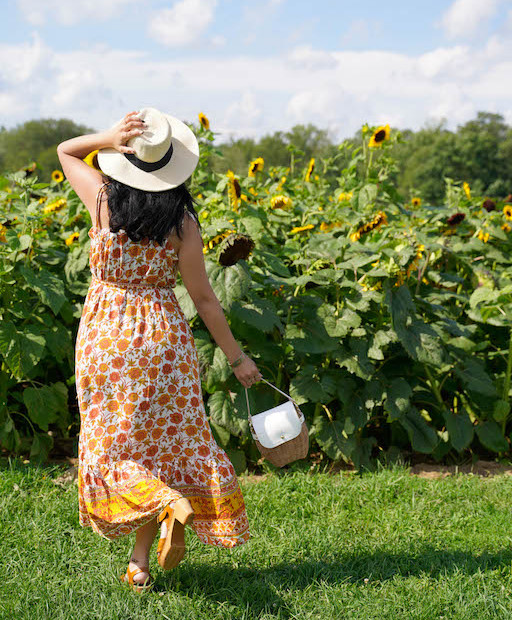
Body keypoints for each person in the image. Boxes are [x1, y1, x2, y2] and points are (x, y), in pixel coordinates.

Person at [57, 107, 263, 592]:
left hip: (106, 338)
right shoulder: (182, 222)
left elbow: (67, 150)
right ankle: (143, 556)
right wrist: (237, 359)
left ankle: (152, 540)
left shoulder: (103, 201)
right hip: (163, 342)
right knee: (162, 448)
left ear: (125, 160)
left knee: (115, 446)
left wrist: (108, 136)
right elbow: (206, 300)